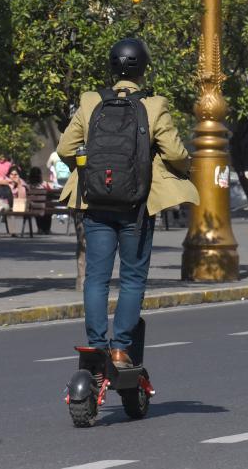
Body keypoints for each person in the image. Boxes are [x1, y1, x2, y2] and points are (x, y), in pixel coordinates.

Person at [57, 37, 198, 368]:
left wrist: (91, 171)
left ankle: (96, 347)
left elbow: (65, 149)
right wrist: (182, 166)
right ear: (143, 69)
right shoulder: (154, 106)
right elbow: (176, 153)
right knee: (132, 279)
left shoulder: (90, 101)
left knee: (96, 278)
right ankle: (121, 349)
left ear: (111, 66)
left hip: (95, 204)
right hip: (136, 208)